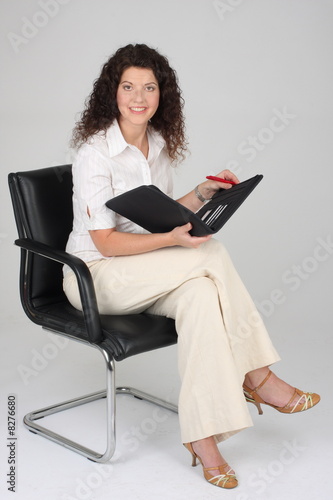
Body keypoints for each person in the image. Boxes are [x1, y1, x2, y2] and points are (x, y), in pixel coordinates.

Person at [63, 43, 320, 489]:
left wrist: (201, 195)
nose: (138, 97)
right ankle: (258, 376)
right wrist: (171, 240)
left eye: (149, 87)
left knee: (201, 296)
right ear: (113, 93)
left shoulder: (157, 143)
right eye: (128, 87)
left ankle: (203, 438)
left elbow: (153, 214)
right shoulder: (94, 153)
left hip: (144, 266)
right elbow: (104, 243)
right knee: (210, 253)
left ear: (163, 94)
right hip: (93, 275)